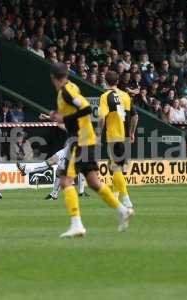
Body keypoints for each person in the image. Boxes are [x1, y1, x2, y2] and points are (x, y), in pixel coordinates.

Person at [48, 62, 131, 238]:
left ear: (53, 78)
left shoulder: (66, 91)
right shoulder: (71, 87)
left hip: (80, 139)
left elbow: (85, 108)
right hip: (86, 138)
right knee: (93, 182)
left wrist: (63, 118)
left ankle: (77, 224)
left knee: (65, 181)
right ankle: (123, 210)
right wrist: (60, 116)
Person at [97, 71, 138, 211]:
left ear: (105, 82)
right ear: (118, 81)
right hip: (126, 136)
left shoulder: (105, 97)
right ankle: (114, 196)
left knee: (116, 168)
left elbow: (102, 117)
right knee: (114, 165)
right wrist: (132, 132)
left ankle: (126, 200)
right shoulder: (126, 95)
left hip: (114, 136)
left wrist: (98, 133)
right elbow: (135, 116)